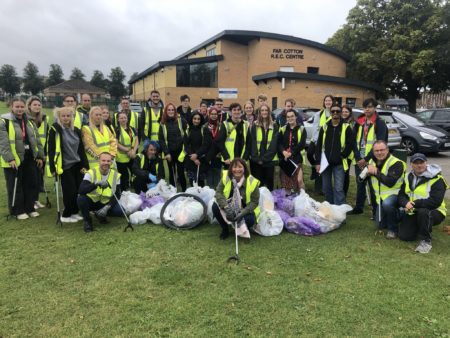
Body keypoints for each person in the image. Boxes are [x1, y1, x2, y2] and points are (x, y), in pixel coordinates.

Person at [0, 98, 44, 219]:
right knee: (16, 185)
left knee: (30, 183)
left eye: (21, 107)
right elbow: (3, 143)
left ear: (25, 107)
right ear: (11, 107)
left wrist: (40, 156)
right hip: (14, 160)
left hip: (29, 157)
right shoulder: (4, 121)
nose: (19, 109)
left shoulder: (30, 121)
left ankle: (29, 208)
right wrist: (10, 159)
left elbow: (37, 140)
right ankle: (17, 211)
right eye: (17, 107)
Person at [398, 153, 448, 253]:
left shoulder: (437, 179)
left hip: (435, 211)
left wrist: (414, 203)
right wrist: (405, 203)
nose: (419, 165)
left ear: (426, 163)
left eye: (421, 162)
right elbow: (401, 195)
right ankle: (420, 227)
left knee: (423, 211)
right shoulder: (408, 177)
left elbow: (435, 201)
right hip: (414, 210)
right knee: (405, 236)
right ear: (411, 164)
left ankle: (426, 241)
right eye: (416, 163)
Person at [47, 107, 89, 223]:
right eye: (63, 116)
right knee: (69, 191)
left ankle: (74, 212)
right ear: (59, 117)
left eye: (68, 116)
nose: (66, 118)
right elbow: (51, 150)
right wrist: (52, 167)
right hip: (64, 166)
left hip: (77, 165)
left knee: (78, 190)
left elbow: (81, 150)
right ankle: (66, 215)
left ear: (72, 117)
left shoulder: (76, 130)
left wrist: (84, 165)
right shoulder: (55, 130)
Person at [350, 98, 388, 215]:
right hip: (359, 159)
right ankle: (359, 208)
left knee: (373, 186)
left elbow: (381, 144)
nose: (367, 109)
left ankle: (376, 210)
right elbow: (353, 141)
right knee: (360, 183)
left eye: (370, 106)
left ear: (375, 108)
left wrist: (366, 159)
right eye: (365, 107)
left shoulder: (380, 123)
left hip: (373, 160)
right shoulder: (359, 121)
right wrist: (358, 158)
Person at [212, 158, 260, 240]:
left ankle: (240, 227)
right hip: (229, 205)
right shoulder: (226, 177)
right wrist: (226, 207)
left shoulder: (252, 181)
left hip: (245, 209)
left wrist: (242, 213)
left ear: (244, 168)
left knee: (250, 220)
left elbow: (254, 202)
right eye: (234, 167)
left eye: (240, 167)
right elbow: (218, 192)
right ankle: (225, 229)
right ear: (231, 168)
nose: (237, 169)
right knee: (215, 207)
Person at [315, 104, 354, 205]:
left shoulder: (346, 127)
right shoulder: (325, 127)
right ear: (330, 113)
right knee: (326, 188)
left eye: (337, 111)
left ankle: (339, 213)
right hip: (325, 163)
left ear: (340, 113)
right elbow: (319, 145)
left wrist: (343, 155)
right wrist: (318, 162)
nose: (335, 113)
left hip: (339, 164)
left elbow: (350, 144)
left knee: (338, 189)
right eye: (333, 111)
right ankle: (331, 210)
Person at [366, 140, 406, 239]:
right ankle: (400, 214)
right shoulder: (371, 162)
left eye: (382, 150)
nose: (379, 153)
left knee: (387, 204)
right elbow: (360, 179)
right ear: (373, 151)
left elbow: (389, 182)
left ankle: (393, 230)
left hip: (396, 194)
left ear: (387, 150)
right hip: (380, 197)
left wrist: (376, 173)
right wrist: (366, 173)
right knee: (380, 225)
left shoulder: (396, 163)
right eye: (376, 151)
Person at [77, 152, 123, 232]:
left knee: (120, 211)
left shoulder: (116, 175)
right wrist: (95, 184)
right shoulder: (91, 172)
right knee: (81, 199)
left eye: (108, 161)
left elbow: (117, 194)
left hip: (105, 202)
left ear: (111, 162)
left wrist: (107, 207)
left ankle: (101, 215)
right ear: (99, 161)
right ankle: (87, 220)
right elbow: (81, 190)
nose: (106, 163)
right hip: (92, 201)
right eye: (103, 160)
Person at [158, 103, 187, 191]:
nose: (171, 111)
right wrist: (167, 153)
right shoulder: (162, 124)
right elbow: (161, 140)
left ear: (175, 111)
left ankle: (184, 191)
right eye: (169, 110)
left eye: (172, 110)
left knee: (181, 173)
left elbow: (186, 134)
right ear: (166, 111)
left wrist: (185, 149)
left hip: (180, 152)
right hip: (169, 153)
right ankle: (173, 191)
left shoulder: (181, 121)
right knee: (171, 173)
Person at [249, 103, 278, 191]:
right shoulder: (255, 125)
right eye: (262, 110)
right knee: (258, 183)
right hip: (256, 160)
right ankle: (258, 201)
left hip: (269, 160)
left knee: (269, 182)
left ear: (269, 112)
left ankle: (269, 202)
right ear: (259, 113)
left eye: (266, 110)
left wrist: (264, 159)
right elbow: (252, 142)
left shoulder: (275, 125)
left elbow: (274, 144)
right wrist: (257, 159)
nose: (264, 112)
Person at [308, 95, 334, 193]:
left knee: (323, 163)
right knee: (309, 154)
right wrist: (315, 141)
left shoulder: (334, 113)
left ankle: (320, 188)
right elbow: (315, 128)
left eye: (330, 100)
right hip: (317, 140)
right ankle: (314, 168)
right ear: (324, 102)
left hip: (327, 143)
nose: (328, 102)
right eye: (326, 100)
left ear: (333, 102)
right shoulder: (319, 114)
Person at [26, 96, 48, 209]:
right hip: (30, 154)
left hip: (41, 153)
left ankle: (35, 200)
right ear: (29, 105)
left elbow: (46, 135)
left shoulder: (44, 118)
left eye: (39, 105)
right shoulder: (25, 119)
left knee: (39, 178)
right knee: (32, 179)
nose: (37, 107)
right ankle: (30, 201)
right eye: (34, 104)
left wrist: (45, 154)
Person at [277, 110, 307, 193]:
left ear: (296, 117)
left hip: (297, 158)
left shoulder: (301, 129)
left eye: (292, 116)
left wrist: (291, 153)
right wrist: (283, 152)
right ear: (286, 118)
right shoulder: (282, 129)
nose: (290, 118)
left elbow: (302, 144)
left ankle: (303, 196)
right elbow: (279, 143)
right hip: (286, 159)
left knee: (299, 180)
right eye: (288, 117)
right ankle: (288, 200)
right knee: (287, 183)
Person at [179, 112, 210, 187]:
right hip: (190, 159)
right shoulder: (188, 130)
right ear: (191, 119)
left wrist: (197, 155)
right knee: (192, 181)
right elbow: (186, 145)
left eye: (198, 119)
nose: (196, 121)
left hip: (201, 159)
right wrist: (193, 157)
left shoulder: (204, 129)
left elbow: (205, 145)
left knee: (200, 182)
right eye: (195, 119)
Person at [217, 102, 251, 168]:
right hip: (229, 160)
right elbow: (220, 142)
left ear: (241, 112)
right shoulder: (225, 124)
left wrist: (245, 158)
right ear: (230, 112)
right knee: (228, 178)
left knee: (241, 178)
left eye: (238, 110)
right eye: (234, 110)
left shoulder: (246, 124)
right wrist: (226, 157)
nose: (236, 112)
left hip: (242, 160)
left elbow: (249, 143)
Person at [115, 111, 138, 191]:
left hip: (132, 155)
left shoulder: (132, 129)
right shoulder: (117, 130)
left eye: (125, 118)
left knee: (135, 172)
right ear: (118, 119)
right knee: (124, 176)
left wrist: (134, 151)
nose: (123, 119)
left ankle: (135, 186)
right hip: (121, 158)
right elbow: (116, 143)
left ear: (127, 119)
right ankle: (124, 190)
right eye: (121, 118)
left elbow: (136, 140)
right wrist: (128, 150)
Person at [205, 107, 222, 188]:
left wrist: (220, 152)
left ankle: (217, 191)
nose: (214, 116)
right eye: (212, 114)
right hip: (208, 154)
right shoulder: (205, 126)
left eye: (215, 114)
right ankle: (210, 190)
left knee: (217, 174)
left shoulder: (221, 126)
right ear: (209, 115)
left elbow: (223, 140)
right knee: (209, 174)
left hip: (218, 154)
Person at [341, 105, 355, 198]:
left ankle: (344, 194)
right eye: (343, 111)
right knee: (340, 174)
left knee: (345, 174)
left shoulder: (353, 124)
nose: (344, 113)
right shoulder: (339, 122)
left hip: (348, 154)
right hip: (339, 153)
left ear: (350, 113)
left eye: (346, 111)